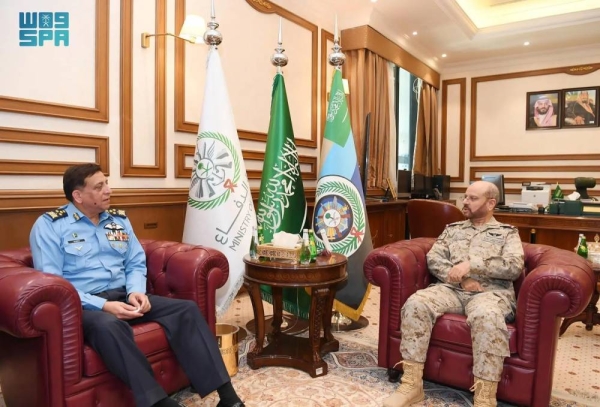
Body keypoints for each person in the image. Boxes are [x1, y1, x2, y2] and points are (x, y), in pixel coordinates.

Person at [30, 163, 245, 407]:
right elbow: (54, 284)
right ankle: (160, 403)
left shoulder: (118, 220)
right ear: (78, 196)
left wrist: (136, 292)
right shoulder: (50, 226)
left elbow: (134, 261)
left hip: (123, 294)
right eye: (99, 187)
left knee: (185, 310)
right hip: (84, 306)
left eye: (107, 183)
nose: (108, 190)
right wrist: (103, 305)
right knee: (109, 326)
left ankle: (229, 398)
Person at [383, 181, 524, 407]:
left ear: (490, 203)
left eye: (472, 198)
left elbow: (513, 266)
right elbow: (434, 259)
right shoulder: (453, 229)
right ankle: (411, 384)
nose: (465, 202)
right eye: (465, 196)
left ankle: (485, 399)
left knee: (486, 317)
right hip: (452, 289)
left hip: (491, 293)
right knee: (417, 303)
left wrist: (473, 265)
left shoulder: (507, 233)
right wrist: (463, 278)